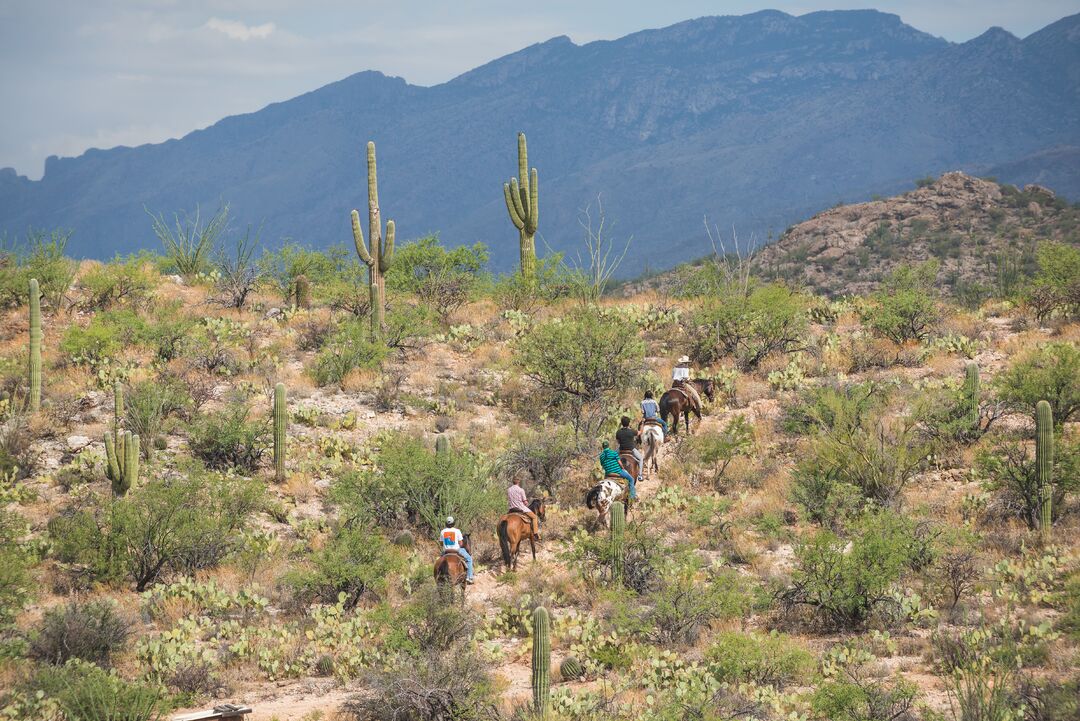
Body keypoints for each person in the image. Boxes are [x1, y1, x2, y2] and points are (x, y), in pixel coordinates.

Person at [439, 516, 474, 584]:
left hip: (446, 551)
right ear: (453, 523)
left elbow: (441, 543)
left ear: (446, 524)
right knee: (469, 559)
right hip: (456, 550)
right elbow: (461, 543)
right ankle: (469, 577)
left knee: (439, 561)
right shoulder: (457, 531)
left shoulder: (442, 531)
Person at [507, 475, 540, 540]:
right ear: (518, 481)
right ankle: (535, 534)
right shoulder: (521, 490)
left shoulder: (509, 490)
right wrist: (527, 503)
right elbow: (525, 502)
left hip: (511, 509)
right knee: (534, 517)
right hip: (520, 508)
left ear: (513, 481)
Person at [615, 415, 643, 483]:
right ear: (629, 423)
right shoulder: (631, 431)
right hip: (631, 450)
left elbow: (618, 442)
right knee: (641, 459)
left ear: (622, 423)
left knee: (612, 457)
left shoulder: (618, 432)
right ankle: (640, 475)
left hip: (621, 450)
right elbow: (640, 432)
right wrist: (642, 424)